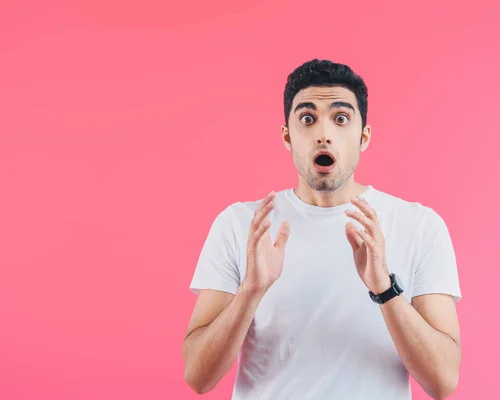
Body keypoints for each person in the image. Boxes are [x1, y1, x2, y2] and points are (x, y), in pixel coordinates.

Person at [182, 59, 462, 400]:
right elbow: (198, 376)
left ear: (364, 136)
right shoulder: (242, 224)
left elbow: (443, 381)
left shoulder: (419, 226)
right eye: (307, 119)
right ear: (287, 135)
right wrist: (251, 290)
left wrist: (385, 289)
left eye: (341, 118)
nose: (324, 134)